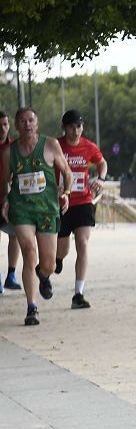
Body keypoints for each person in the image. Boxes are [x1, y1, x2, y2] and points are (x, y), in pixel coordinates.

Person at [0, 107, 73, 326]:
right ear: (16, 125)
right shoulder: (8, 153)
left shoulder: (51, 145)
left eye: (31, 120)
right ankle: (32, 307)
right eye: (22, 121)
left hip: (47, 210)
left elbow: (67, 172)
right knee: (29, 253)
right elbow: (6, 180)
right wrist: (5, 199)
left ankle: (43, 275)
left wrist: (66, 193)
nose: (27, 124)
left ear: (37, 124)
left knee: (49, 264)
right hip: (21, 209)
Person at [56, 110, 107, 309]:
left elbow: (102, 162)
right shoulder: (56, 146)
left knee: (83, 244)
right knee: (62, 250)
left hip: (84, 201)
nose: (75, 131)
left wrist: (100, 179)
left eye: (78, 127)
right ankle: (57, 260)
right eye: (71, 127)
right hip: (62, 202)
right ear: (64, 128)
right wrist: (55, 186)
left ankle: (78, 293)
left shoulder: (89, 146)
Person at [0, 111, 23, 292]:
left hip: (11, 198)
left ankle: (11, 274)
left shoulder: (15, 146)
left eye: (5, 124)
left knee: (14, 235)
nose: (2, 129)